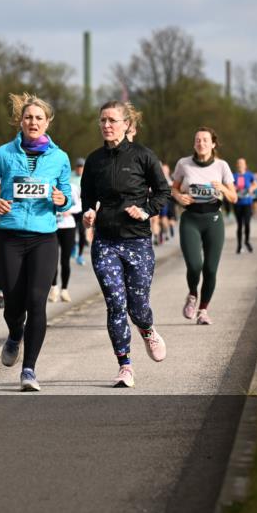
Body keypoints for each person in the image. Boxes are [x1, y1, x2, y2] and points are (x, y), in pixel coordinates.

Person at [0, 93, 72, 392]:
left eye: (39, 118)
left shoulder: (59, 157)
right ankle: (15, 333)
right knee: (14, 304)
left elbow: (67, 193)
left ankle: (29, 369)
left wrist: (62, 199)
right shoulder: (2, 154)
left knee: (37, 301)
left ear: (48, 122)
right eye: (28, 117)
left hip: (44, 238)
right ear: (21, 120)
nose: (33, 122)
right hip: (9, 236)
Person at [81, 101, 170, 388]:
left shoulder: (143, 156)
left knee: (138, 305)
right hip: (105, 242)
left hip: (138, 242)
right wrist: (89, 211)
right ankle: (125, 365)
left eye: (112, 120)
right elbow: (86, 197)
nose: (106, 125)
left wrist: (146, 211)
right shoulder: (94, 161)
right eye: (102, 121)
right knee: (116, 304)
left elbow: (163, 191)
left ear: (126, 124)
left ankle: (147, 328)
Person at [171, 127, 237, 326]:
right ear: (194, 143)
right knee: (194, 265)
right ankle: (192, 294)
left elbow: (234, 197)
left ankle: (203, 310)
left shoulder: (222, 166)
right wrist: (179, 196)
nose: (201, 143)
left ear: (213, 144)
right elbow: (172, 188)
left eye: (205, 140)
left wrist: (222, 188)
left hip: (213, 220)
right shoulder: (184, 164)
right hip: (190, 218)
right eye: (198, 140)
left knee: (210, 269)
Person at [50, 156, 82, 303]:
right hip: (52, 227)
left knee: (65, 260)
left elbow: (79, 206)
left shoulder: (72, 187)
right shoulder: (48, 185)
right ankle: (54, 288)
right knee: (52, 259)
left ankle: (65, 290)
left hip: (68, 226)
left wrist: (69, 209)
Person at [232, 157, 257, 253]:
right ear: (236, 165)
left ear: (245, 165)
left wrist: (251, 188)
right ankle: (239, 245)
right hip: (237, 203)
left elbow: (256, 184)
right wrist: (234, 187)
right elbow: (229, 186)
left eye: (242, 163)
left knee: (247, 223)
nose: (240, 165)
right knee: (239, 225)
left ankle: (247, 241)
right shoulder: (233, 176)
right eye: (238, 163)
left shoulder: (249, 175)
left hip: (247, 203)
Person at [72, 157, 88, 265]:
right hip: (72, 209)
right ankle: (73, 247)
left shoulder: (88, 177)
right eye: (78, 167)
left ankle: (80, 255)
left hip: (82, 209)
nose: (79, 169)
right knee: (72, 231)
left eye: (81, 167)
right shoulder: (70, 176)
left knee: (82, 232)